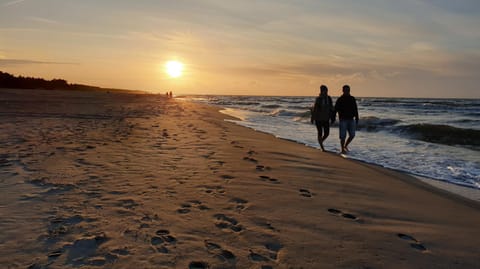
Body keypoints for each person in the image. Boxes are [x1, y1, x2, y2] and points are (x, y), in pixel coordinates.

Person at [334, 84, 359, 154]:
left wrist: (357, 117)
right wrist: (333, 118)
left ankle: (346, 145)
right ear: (343, 91)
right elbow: (335, 109)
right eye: (345, 90)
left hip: (351, 119)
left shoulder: (352, 98)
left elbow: (355, 108)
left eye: (348, 90)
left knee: (352, 135)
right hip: (343, 119)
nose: (347, 91)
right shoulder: (340, 99)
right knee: (342, 136)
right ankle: (342, 149)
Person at [311, 85, 335, 151]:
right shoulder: (318, 99)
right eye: (324, 90)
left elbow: (331, 108)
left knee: (327, 133)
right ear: (321, 91)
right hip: (318, 118)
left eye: (326, 90)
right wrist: (312, 117)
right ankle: (322, 147)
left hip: (326, 118)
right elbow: (315, 109)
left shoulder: (329, 98)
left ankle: (321, 141)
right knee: (320, 132)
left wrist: (333, 117)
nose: (326, 92)